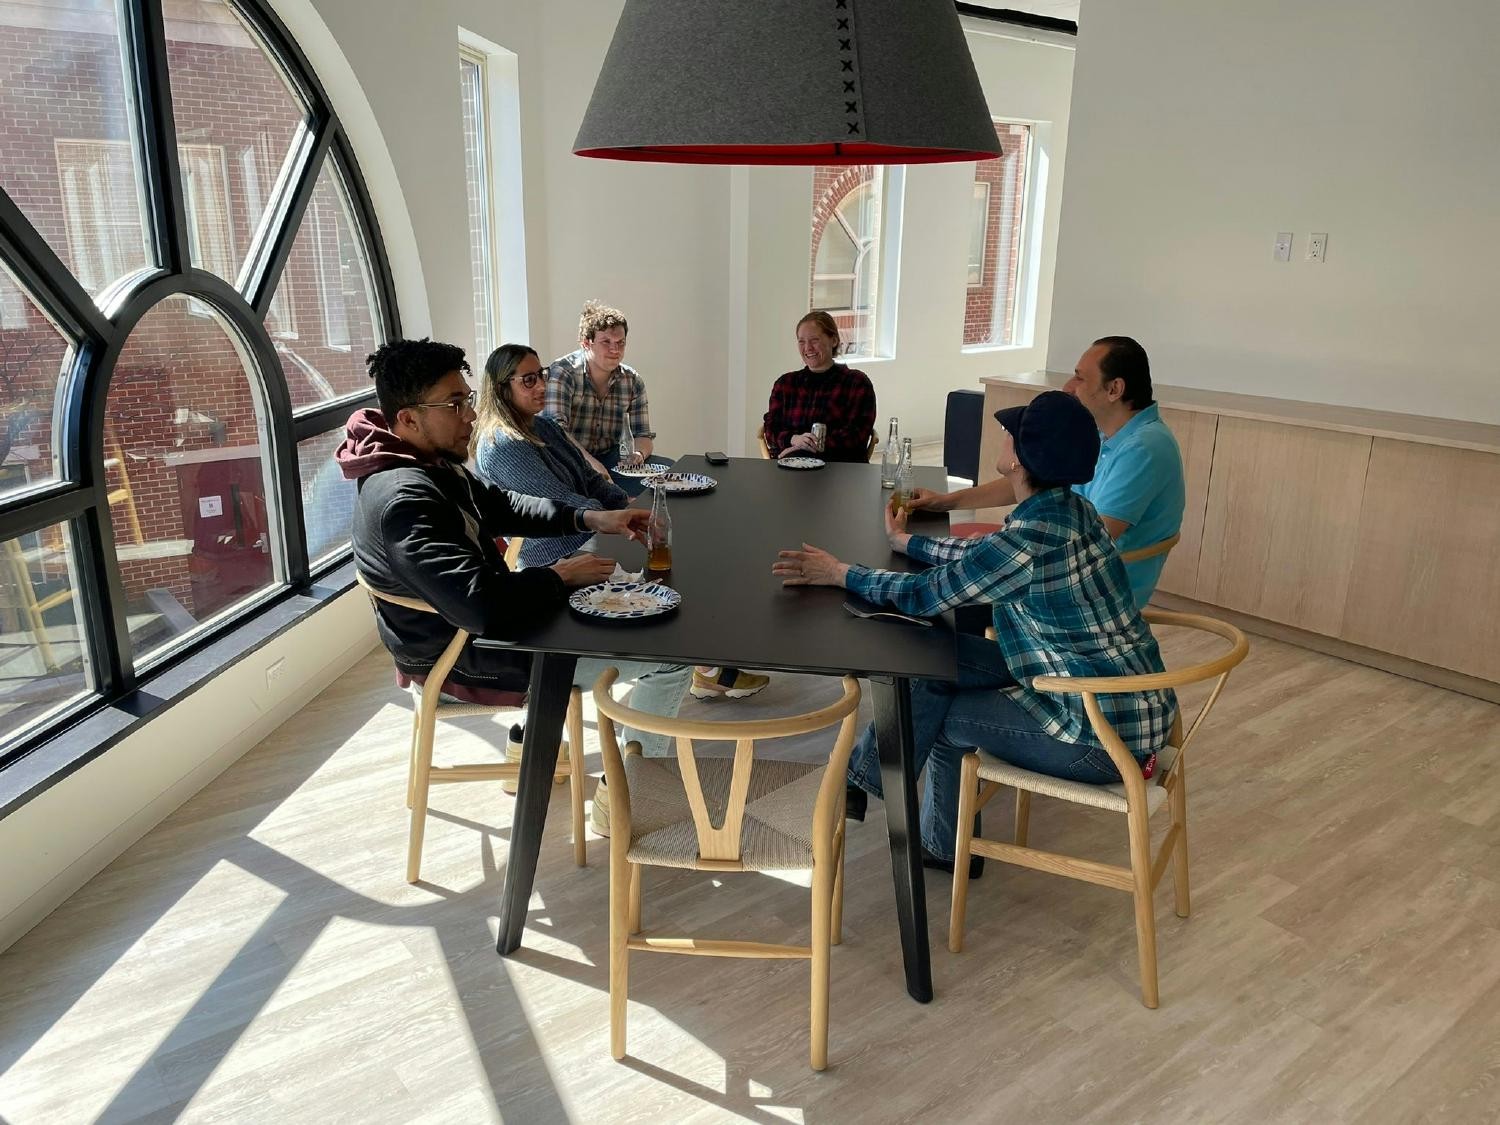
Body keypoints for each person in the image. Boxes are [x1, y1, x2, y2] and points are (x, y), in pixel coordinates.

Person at [772, 390, 1178, 874]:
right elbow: (984, 562)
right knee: (933, 660)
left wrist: (841, 573)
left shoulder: (1031, 540)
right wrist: (908, 542)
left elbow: (927, 595)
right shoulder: (1071, 512)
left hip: (1099, 740)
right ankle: (864, 787)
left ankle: (938, 844)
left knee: (940, 711)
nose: (1003, 435)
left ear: (1020, 460)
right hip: (1122, 701)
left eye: (1011, 432)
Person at [341, 337, 692, 824]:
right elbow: (481, 607)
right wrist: (558, 575)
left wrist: (591, 521)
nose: (470, 413)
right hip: (464, 659)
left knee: (625, 608)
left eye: (466, 398)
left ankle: (533, 748)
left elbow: (504, 504)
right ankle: (626, 797)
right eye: (455, 403)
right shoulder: (405, 498)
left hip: (482, 632)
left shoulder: (426, 464)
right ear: (408, 419)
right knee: (668, 659)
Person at [471, 343, 768, 720]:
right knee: (673, 582)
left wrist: (624, 505)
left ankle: (704, 665)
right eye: (528, 380)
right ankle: (699, 667)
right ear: (500, 388)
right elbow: (560, 502)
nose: (540, 385)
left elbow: (591, 481)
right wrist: (612, 518)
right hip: (557, 556)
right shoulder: (502, 445)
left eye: (541, 374)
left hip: (589, 536)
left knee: (682, 559)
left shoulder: (543, 425)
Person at [909, 336, 1184, 609]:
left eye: (1080, 378)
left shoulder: (1144, 449)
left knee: (937, 594)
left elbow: (1088, 542)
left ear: (1114, 388)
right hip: (1063, 571)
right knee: (940, 577)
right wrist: (947, 501)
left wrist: (1002, 547)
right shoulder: (1102, 434)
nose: (1068, 387)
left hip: (1093, 593)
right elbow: (1030, 478)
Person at [544, 300, 654, 469]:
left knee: (668, 470)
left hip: (612, 458)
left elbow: (643, 435)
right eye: (606, 342)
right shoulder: (563, 373)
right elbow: (557, 432)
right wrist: (594, 466)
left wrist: (638, 455)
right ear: (586, 343)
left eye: (620, 343)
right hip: (567, 461)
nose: (615, 350)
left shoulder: (632, 381)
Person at [763, 311, 877, 462]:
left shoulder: (856, 383)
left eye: (814, 340)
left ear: (834, 340)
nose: (807, 348)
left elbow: (857, 436)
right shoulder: (785, 384)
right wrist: (793, 439)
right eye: (801, 341)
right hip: (789, 473)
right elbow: (770, 428)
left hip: (839, 472)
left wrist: (806, 447)